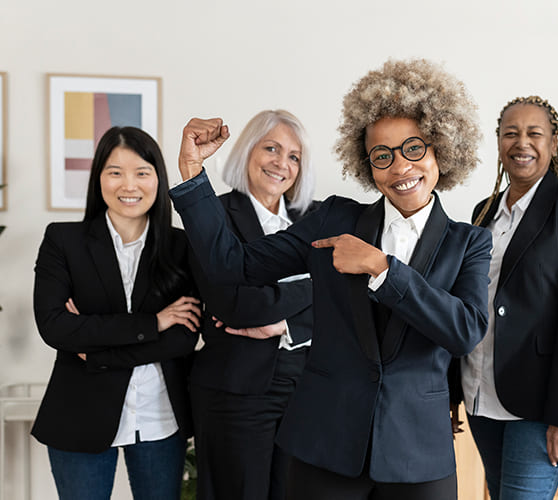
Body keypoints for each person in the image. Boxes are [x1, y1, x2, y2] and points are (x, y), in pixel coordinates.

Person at [169, 58, 490, 500]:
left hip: (417, 454)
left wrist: (382, 269)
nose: (400, 167)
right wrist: (192, 175)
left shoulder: (469, 242)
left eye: (414, 148)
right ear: (367, 163)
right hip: (325, 447)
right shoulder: (334, 218)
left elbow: (465, 331)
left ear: (440, 149)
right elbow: (234, 266)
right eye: (383, 155)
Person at [449, 96, 558, 500]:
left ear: (553, 143)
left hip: (540, 405)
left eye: (534, 133)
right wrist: (453, 390)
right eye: (511, 133)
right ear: (499, 143)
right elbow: (468, 303)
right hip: (482, 394)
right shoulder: (482, 212)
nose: (522, 142)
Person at [32, 126, 201, 500]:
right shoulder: (63, 241)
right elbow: (56, 327)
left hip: (161, 419)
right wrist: (153, 323)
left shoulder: (180, 246)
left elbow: (184, 336)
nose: (129, 185)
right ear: (99, 178)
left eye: (142, 172)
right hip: (79, 417)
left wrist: (93, 349)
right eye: (115, 172)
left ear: (158, 177)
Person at [188, 109, 317, 500]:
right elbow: (237, 305)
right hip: (237, 392)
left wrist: (285, 324)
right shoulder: (216, 217)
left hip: (305, 390)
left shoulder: (315, 218)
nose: (282, 163)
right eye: (272, 148)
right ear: (247, 151)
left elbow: (348, 298)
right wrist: (316, 285)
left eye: (294, 156)